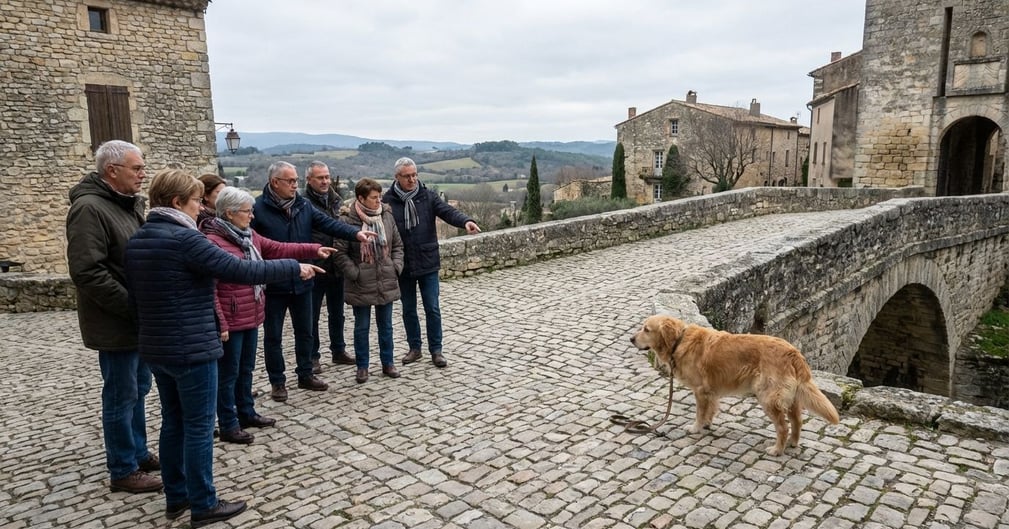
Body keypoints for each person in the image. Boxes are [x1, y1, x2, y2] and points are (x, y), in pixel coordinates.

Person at [125, 169, 322, 527]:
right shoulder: (187, 239)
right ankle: (203, 503)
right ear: (177, 203)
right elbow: (240, 270)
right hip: (193, 346)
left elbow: (134, 300)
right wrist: (294, 268)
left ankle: (177, 496)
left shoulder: (139, 239)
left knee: (173, 422)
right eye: (195, 201)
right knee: (199, 427)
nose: (200, 207)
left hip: (156, 347)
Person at [66, 139, 162, 494]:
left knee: (139, 388)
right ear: (112, 170)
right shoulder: (89, 209)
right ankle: (123, 468)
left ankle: (137, 451)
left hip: (136, 320)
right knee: (121, 394)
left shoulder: (125, 205)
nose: (142, 174)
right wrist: (132, 306)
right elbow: (88, 271)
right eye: (136, 168)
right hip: (116, 321)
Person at [203, 186, 335, 444]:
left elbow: (277, 248)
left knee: (246, 369)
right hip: (232, 318)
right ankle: (228, 423)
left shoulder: (248, 236)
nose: (252, 216)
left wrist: (313, 249)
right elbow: (211, 289)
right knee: (228, 374)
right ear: (229, 213)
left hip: (250, 313)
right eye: (247, 212)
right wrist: (220, 321)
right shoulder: (213, 242)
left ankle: (246, 412)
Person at [252, 161, 377, 402]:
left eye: (296, 180)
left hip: (303, 278)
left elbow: (328, 223)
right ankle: (277, 382)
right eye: (290, 181)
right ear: (274, 182)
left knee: (305, 331)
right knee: (273, 337)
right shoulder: (258, 209)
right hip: (274, 282)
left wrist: (355, 233)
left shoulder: (302, 205)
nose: (294, 185)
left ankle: (305, 374)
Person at [383, 157, 481, 368]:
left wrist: (466, 221)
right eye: (407, 176)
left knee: (432, 308)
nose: (412, 180)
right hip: (403, 264)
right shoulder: (387, 201)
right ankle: (415, 348)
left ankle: (436, 350)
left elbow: (448, 212)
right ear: (397, 177)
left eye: (414, 175)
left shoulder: (427, 196)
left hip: (427, 260)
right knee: (409, 309)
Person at [334, 179, 404, 383]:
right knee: (362, 327)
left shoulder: (386, 215)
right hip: (361, 282)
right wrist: (355, 273)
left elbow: (398, 245)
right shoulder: (347, 222)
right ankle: (362, 367)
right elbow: (339, 253)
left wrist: (395, 266)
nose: (378, 201)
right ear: (361, 198)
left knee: (386, 326)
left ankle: (388, 363)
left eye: (379, 196)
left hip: (385, 278)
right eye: (374, 198)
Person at [303, 161, 354, 370]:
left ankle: (338, 350)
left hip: (336, 264)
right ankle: (312, 356)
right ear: (309, 180)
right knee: (312, 315)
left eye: (327, 177)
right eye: (320, 178)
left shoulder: (335, 199)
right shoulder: (303, 203)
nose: (325, 181)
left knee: (337, 312)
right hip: (316, 266)